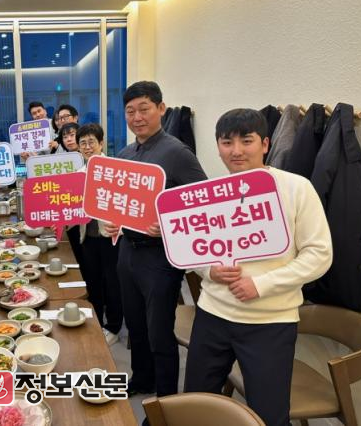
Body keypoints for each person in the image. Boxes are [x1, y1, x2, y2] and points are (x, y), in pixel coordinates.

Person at [184, 109, 332, 426]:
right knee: (196, 403)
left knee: (269, 414)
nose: (236, 151)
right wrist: (210, 270)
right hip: (212, 314)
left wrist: (261, 284)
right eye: (227, 142)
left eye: (246, 141)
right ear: (218, 146)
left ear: (265, 144)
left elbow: (319, 255)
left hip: (270, 322)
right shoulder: (210, 193)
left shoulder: (296, 188)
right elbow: (193, 250)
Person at [105, 81, 207, 399]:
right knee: (135, 325)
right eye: (130, 111)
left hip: (160, 257)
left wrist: (169, 225)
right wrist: (113, 222)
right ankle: (141, 379)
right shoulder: (125, 153)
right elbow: (120, 202)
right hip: (127, 252)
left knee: (159, 332)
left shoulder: (177, 153)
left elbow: (202, 202)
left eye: (144, 109)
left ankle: (166, 402)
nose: (137, 117)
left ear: (161, 109)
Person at [77, 123, 123, 346]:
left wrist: (121, 226)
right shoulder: (78, 174)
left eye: (91, 142)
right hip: (88, 236)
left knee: (113, 283)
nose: (87, 147)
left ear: (101, 143)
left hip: (111, 236)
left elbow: (127, 203)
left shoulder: (115, 169)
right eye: (83, 143)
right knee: (92, 281)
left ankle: (113, 326)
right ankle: (96, 322)